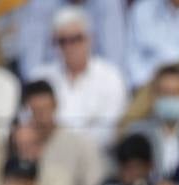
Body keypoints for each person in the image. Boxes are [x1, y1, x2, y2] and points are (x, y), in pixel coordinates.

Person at [32, 6, 127, 150]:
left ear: (90, 39)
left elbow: (109, 130)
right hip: (48, 153)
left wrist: (71, 145)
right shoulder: (40, 77)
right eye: (63, 41)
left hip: (96, 154)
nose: (70, 47)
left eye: (76, 39)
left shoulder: (110, 76)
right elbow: (30, 120)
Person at [20, 79, 104, 185]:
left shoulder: (79, 143)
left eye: (45, 109)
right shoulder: (21, 142)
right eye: (35, 110)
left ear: (55, 105)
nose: (41, 116)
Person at [18, 0, 125, 83]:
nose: (69, 46)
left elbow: (114, 63)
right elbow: (31, 68)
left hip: (96, 79)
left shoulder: (108, 3)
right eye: (63, 41)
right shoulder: (41, 4)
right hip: (54, 79)